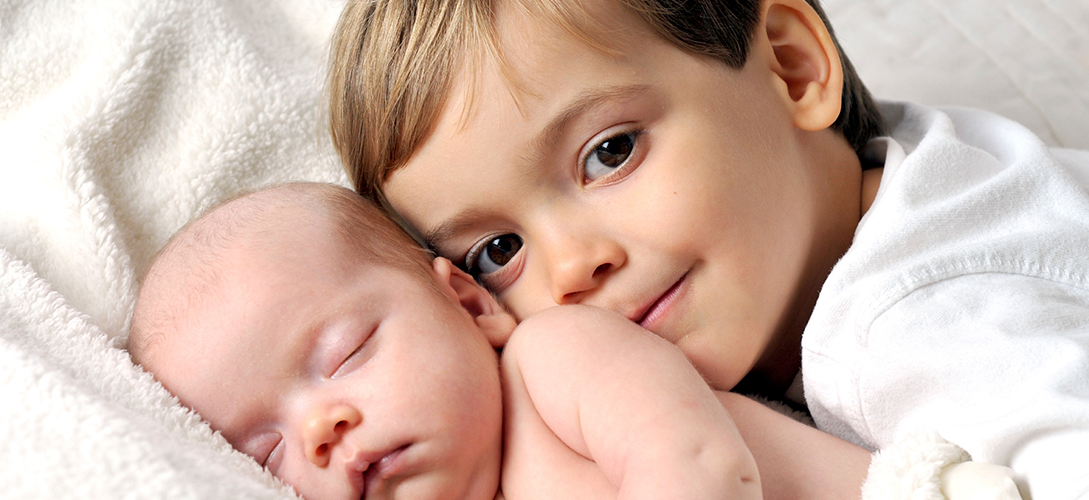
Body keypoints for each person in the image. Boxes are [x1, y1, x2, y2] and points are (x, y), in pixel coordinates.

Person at [326, 0, 1089, 497]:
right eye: (498, 251)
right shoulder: (875, 175)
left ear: (793, 68)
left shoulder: (923, 327)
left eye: (610, 152)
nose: (570, 269)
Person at [128, 182, 868, 500]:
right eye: (268, 452)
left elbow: (698, 464)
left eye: (345, 356)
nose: (321, 431)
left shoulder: (553, 362)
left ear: (468, 301)